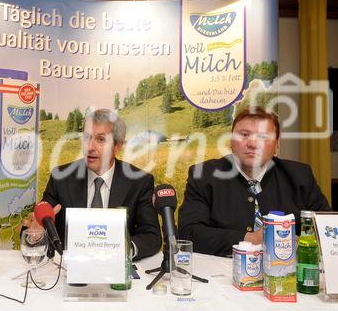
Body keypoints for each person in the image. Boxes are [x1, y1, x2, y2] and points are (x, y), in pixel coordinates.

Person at [178, 106, 331, 257]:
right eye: (244, 135)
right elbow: (188, 233)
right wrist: (250, 239)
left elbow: (328, 228)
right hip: (221, 274)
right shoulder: (204, 176)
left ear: (276, 145)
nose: (252, 144)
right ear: (231, 142)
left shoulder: (300, 176)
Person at [26, 109, 161, 260]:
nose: (90, 147)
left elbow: (152, 236)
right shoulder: (61, 177)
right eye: (86, 138)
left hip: (115, 271)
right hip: (70, 271)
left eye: (101, 139)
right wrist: (36, 235)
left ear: (117, 146)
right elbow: (36, 227)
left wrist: (123, 250)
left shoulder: (139, 181)